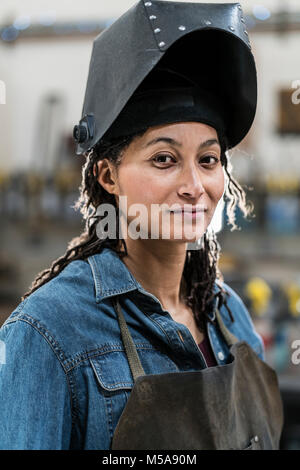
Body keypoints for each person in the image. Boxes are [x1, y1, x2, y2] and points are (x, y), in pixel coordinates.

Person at [0, 1, 283, 450]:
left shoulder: (232, 317)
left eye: (208, 160)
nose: (194, 186)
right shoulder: (48, 335)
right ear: (108, 176)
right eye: (164, 159)